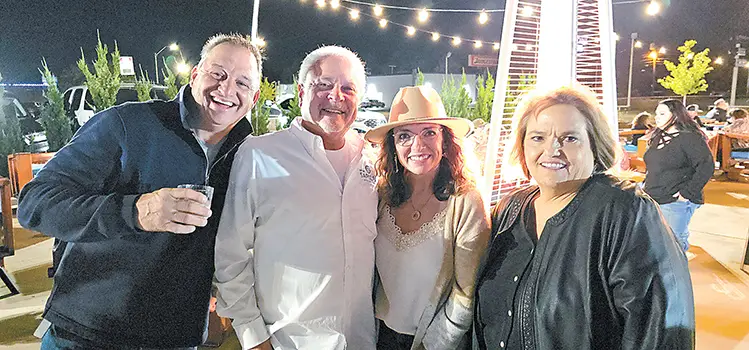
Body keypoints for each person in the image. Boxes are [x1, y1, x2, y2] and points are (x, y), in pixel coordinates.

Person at [17, 33, 261, 349]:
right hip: (87, 334)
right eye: (218, 74)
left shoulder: (248, 157)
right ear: (196, 74)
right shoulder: (128, 124)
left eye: (243, 83)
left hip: (176, 338)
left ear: (254, 98)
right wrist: (134, 211)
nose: (227, 89)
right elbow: (35, 203)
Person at [472, 87, 694, 349]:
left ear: (595, 145)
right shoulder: (511, 209)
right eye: (537, 138)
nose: (552, 149)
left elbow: (661, 328)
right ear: (522, 147)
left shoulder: (626, 212)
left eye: (569, 139)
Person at [214, 45, 378, 350]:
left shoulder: (371, 158)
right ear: (302, 92)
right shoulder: (260, 154)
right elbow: (230, 253)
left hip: (361, 339)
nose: (336, 97)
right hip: (286, 342)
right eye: (324, 85)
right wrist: (252, 334)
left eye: (348, 88)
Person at [363, 86, 490, 349]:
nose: (417, 146)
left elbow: (465, 296)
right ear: (393, 146)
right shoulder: (381, 195)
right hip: (379, 336)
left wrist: (431, 345)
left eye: (429, 133)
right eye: (404, 136)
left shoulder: (465, 202)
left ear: (445, 141)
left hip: (436, 341)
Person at [644, 99, 714, 253]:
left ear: (675, 115)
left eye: (662, 114)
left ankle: (676, 276)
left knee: (673, 243)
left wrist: (685, 194)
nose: (657, 117)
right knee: (655, 242)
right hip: (653, 196)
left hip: (674, 201)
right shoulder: (658, 136)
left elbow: (706, 166)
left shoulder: (690, 138)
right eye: (656, 114)